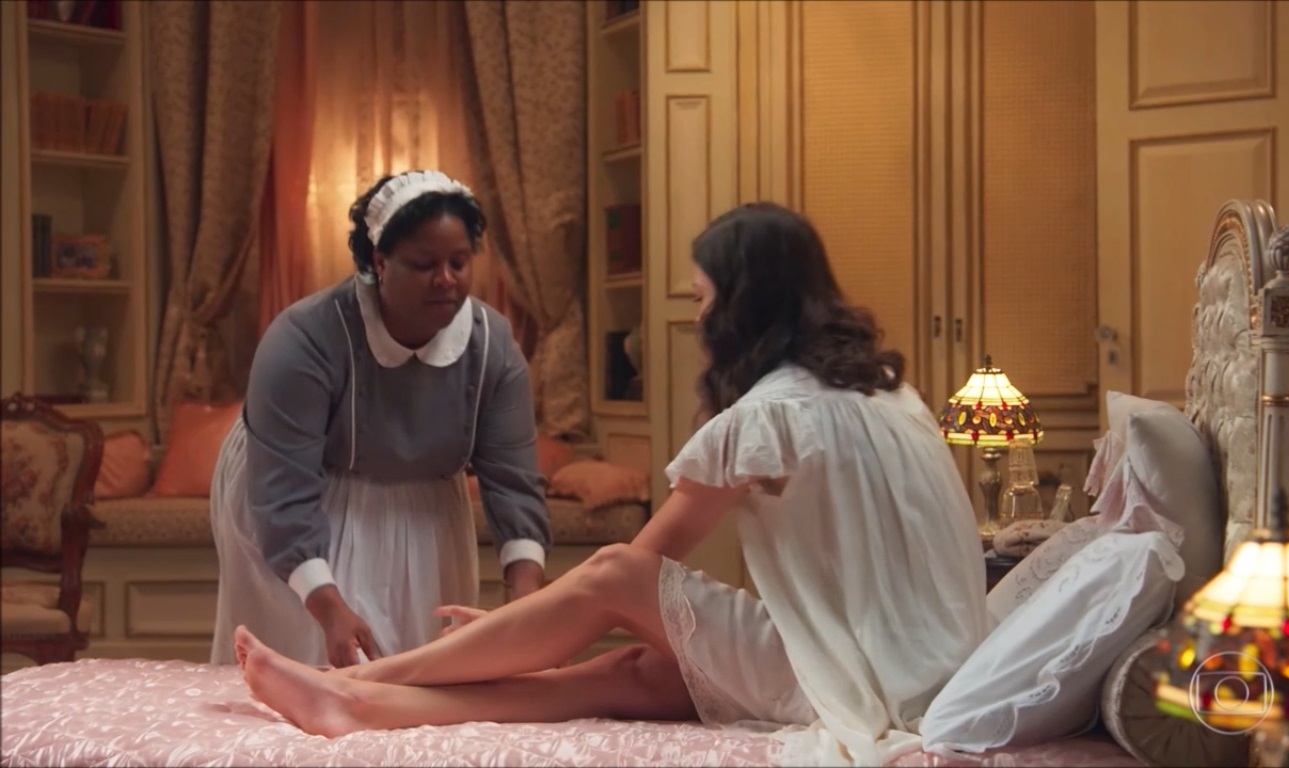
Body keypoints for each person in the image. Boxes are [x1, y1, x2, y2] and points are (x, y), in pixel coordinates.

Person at [233, 202, 990, 765]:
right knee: (635, 674)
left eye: (702, 300)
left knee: (617, 577)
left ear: (742, 307)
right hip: (931, 669)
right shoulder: (890, 393)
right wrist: (527, 629)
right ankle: (373, 709)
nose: (700, 320)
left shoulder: (770, 416)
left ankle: (360, 683)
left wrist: (521, 632)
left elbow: (631, 572)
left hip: (861, 676)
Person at [210, 170, 551, 669]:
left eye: (459, 262)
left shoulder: (492, 348)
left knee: (418, 664)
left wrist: (528, 606)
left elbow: (513, 481)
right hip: (298, 481)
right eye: (424, 264)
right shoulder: (304, 339)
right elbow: (284, 495)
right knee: (304, 661)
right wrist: (329, 608)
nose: (446, 279)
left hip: (425, 496)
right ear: (379, 261)